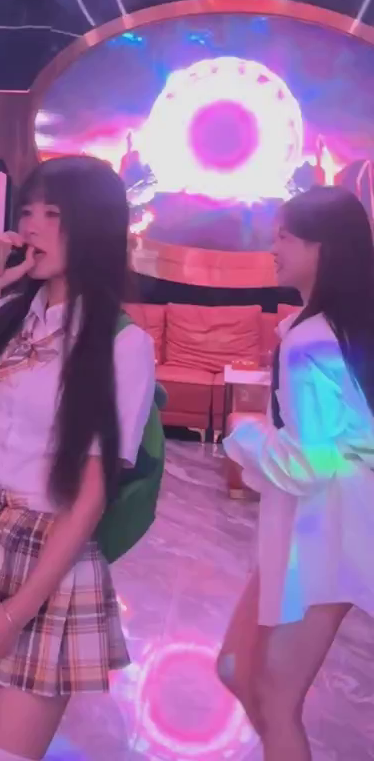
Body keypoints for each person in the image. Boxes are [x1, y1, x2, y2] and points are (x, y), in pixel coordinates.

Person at [0, 155, 156, 761]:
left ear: (93, 228)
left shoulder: (123, 343)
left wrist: (16, 613)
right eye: (27, 211)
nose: (32, 226)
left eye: (54, 214)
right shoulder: (13, 315)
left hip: (51, 554)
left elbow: (91, 495)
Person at [220, 185, 374, 761]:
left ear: (322, 247)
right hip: (312, 529)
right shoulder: (329, 329)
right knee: (236, 668)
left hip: (324, 533)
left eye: (285, 236)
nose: (273, 247)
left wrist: (244, 433)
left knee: (272, 695)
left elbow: (310, 463)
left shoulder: (312, 340)